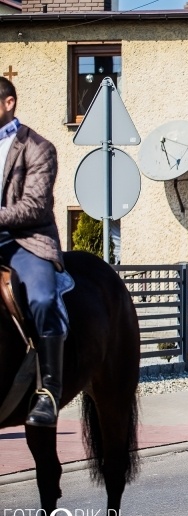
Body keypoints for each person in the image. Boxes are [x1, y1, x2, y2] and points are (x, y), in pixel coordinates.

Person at [0, 76, 70, 428]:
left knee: (42, 298)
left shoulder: (38, 147)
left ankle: (50, 391)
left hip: (25, 240)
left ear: (8, 103)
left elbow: (34, 206)